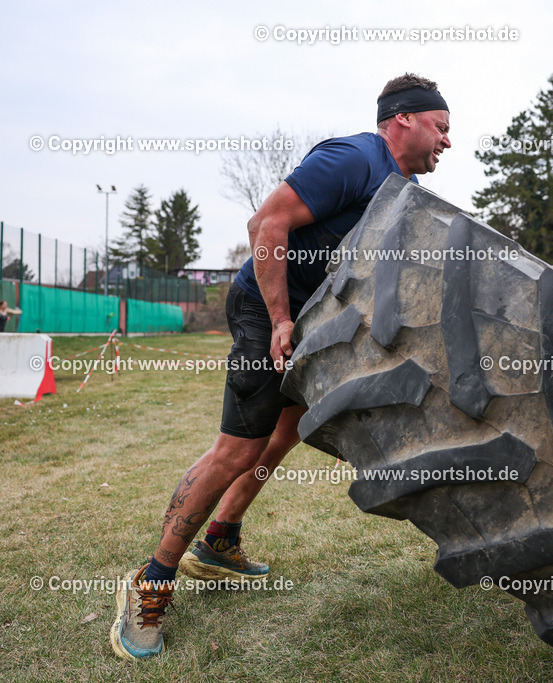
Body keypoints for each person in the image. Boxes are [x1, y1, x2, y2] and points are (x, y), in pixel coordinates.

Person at [110, 73, 452, 661]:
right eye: (441, 128)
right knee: (238, 449)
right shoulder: (352, 158)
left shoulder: (400, 186)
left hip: (310, 318)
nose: (447, 142)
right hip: (264, 310)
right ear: (403, 120)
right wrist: (278, 322)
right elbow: (265, 226)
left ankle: (219, 541)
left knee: (288, 430)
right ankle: (150, 582)